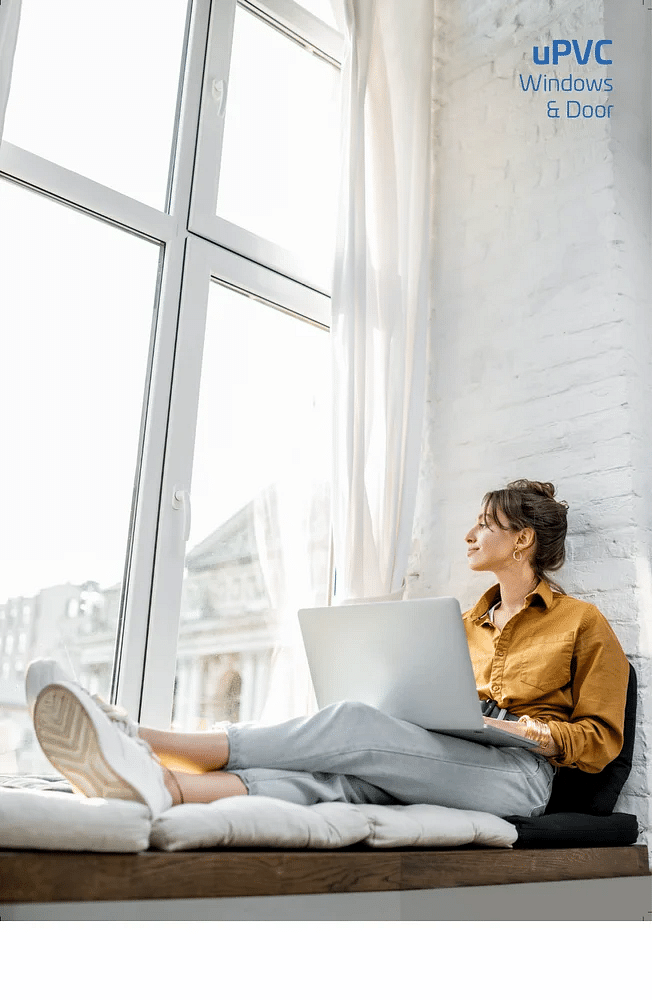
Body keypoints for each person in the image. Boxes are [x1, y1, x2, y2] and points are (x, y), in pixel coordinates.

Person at [26, 479, 630, 820]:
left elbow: (601, 743)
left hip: (518, 777)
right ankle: (168, 788)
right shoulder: (460, 622)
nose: (470, 534)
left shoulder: (583, 623)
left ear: (522, 540)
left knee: (351, 724)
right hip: (449, 752)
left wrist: (532, 733)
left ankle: (143, 739)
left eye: (486, 525)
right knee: (338, 783)